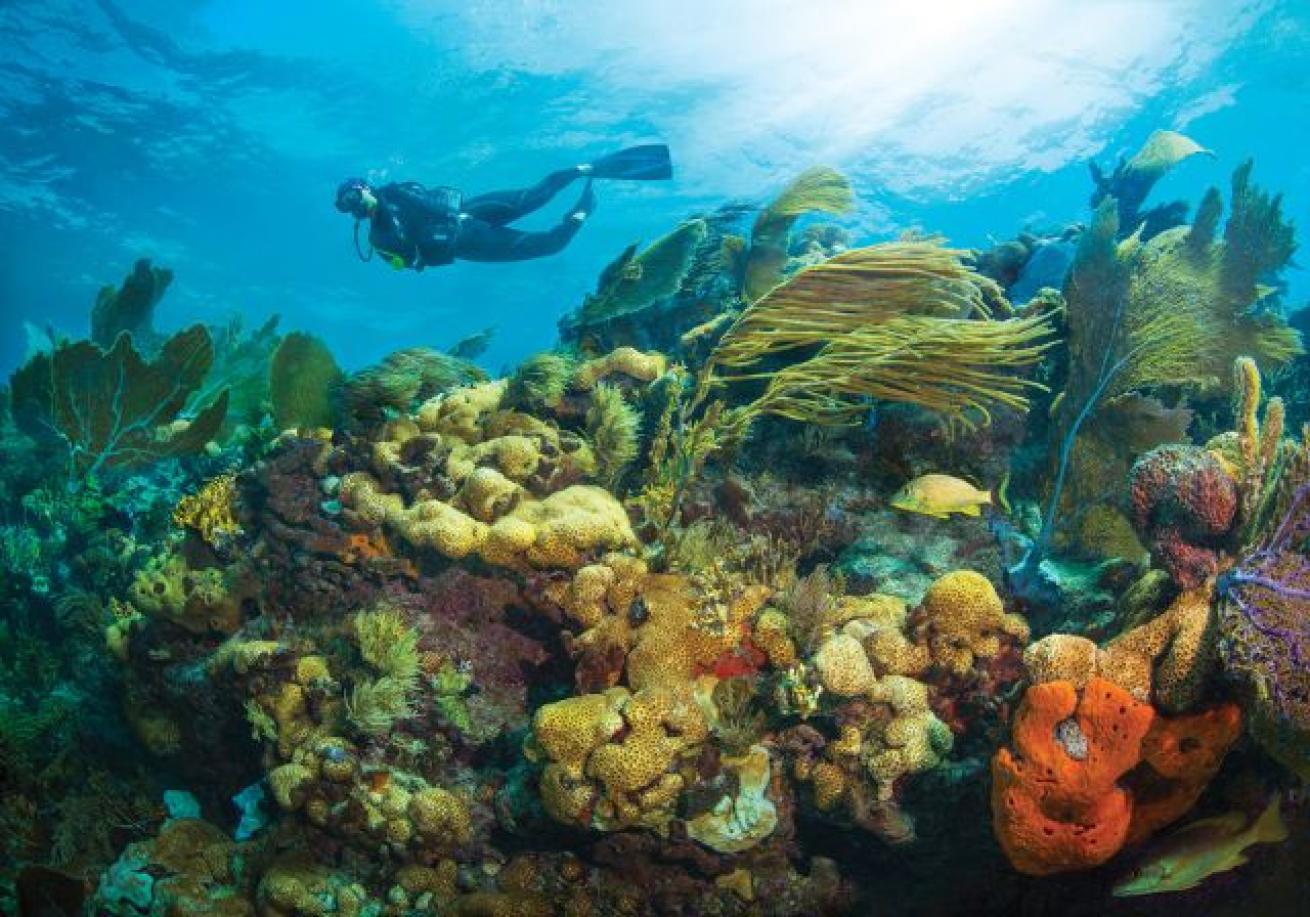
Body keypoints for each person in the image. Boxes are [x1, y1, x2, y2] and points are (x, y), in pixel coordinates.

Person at [335, 144, 672, 271]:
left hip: (469, 211)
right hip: (467, 243)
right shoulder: (377, 238)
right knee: (550, 244)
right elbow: (410, 262)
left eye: (354, 196)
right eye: (347, 206)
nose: (355, 207)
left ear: (365, 186)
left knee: (535, 195)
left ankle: (590, 168)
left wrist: (397, 197)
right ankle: (583, 210)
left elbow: (431, 201)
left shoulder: (398, 190)